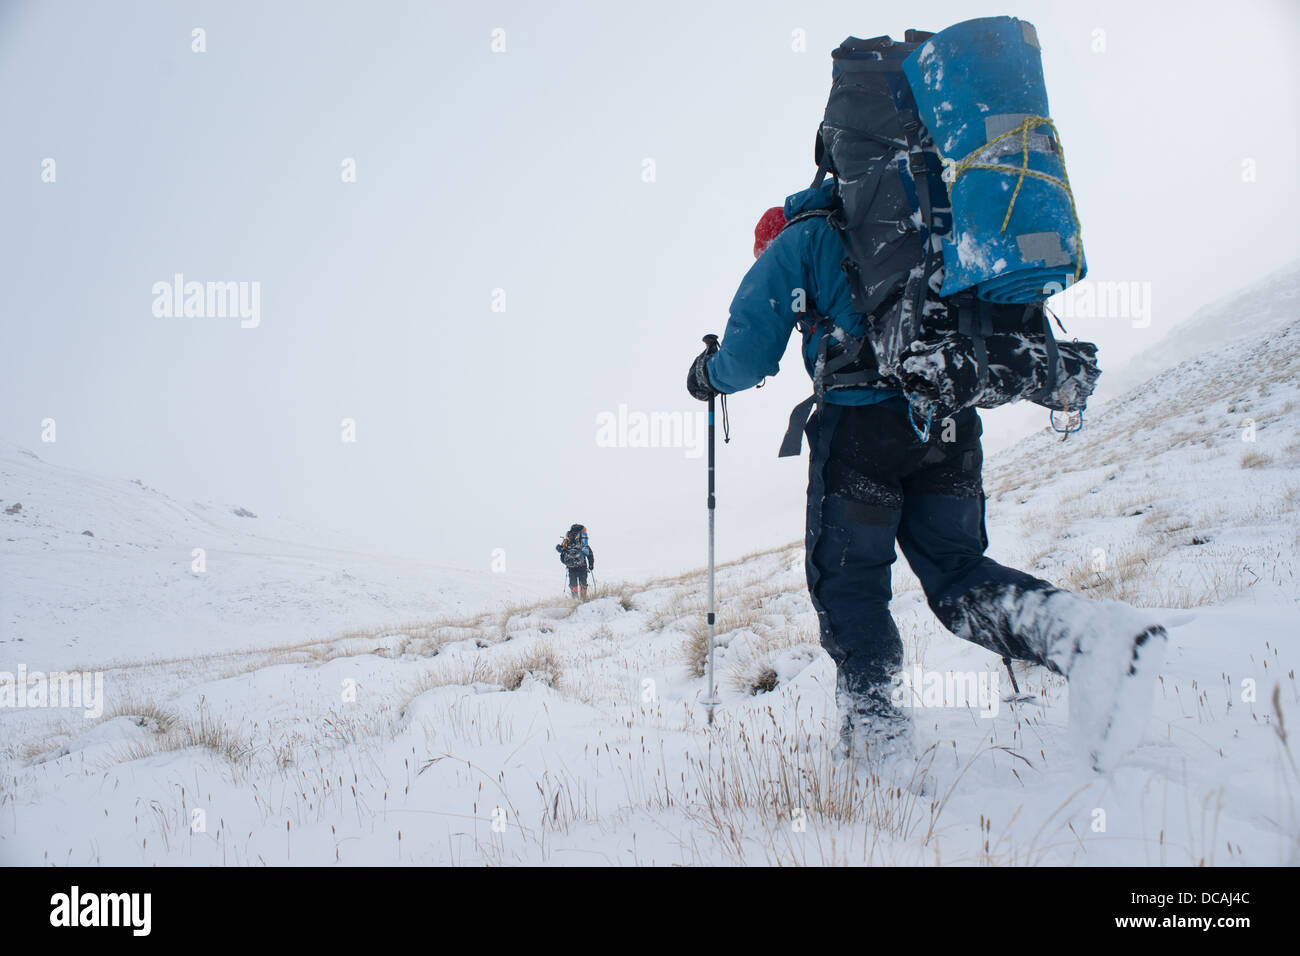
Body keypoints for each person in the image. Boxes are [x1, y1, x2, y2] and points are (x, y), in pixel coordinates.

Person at [686, 178, 1167, 771]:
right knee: (959, 571)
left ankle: (878, 743)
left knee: (851, 585)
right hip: (950, 421)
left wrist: (707, 374)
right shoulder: (922, 220)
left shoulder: (800, 238)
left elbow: (750, 354)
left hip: (863, 434)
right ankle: (1084, 635)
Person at [556, 524, 595, 599]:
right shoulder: (582, 542)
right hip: (582, 566)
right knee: (583, 584)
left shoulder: (567, 541)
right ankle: (583, 600)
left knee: (573, 584)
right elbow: (589, 554)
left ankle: (575, 600)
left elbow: (562, 553)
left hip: (571, 567)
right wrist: (591, 565)